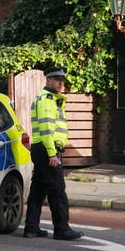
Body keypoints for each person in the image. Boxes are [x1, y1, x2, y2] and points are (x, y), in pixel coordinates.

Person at [23, 67, 83, 241]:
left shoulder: (49, 99)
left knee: (38, 190)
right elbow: (47, 129)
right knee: (57, 191)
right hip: (47, 149)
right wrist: (52, 154)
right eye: (57, 79)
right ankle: (62, 229)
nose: (60, 83)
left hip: (42, 148)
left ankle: (31, 228)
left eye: (62, 80)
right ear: (48, 81)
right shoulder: (47, 100)